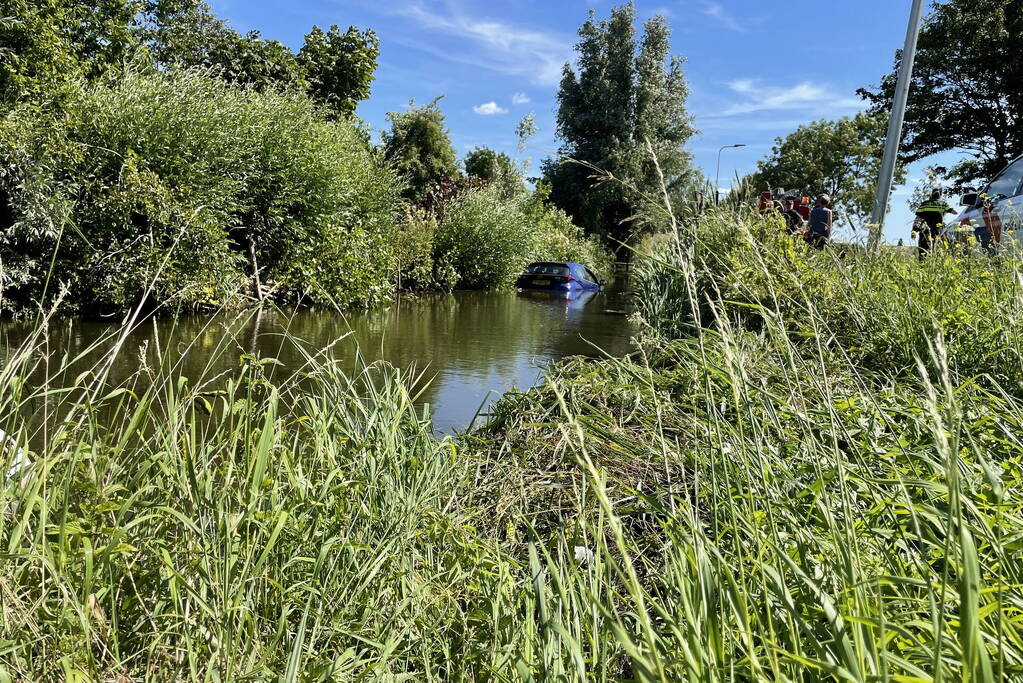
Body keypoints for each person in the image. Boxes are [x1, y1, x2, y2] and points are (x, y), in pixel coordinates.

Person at [914, 189, 955, 259]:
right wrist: (944, 211)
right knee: (938, 250)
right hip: (938, 231)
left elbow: (918, 218)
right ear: (940, 195)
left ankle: (922, 266)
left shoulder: (924, 204)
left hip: (925, 231)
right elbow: (955, 212)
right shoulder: (943, 203)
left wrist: (914, 229)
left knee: (923, 251)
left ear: (931, 194)